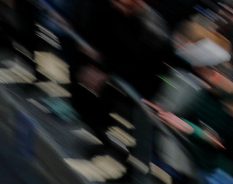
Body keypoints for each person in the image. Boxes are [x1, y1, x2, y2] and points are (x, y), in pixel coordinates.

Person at [69, 0, 169, 165]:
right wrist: (93, 62)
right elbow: (97, 33)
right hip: (110, 69)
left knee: (121, 117)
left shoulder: (151, 28)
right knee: (82, 100)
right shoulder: (109, 9)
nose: (116, 4)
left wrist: (105, 70)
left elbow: (139, 63)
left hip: (139, 82)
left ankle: (123, 158)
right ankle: (107, 141)